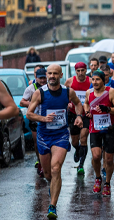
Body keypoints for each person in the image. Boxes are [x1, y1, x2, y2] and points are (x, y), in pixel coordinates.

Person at [26, 64, 84, 218]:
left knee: (56, 168)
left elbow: (78, 104)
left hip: (61, 135)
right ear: (47, 74)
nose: (52, 76)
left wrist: (78, 116)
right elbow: (29, 114)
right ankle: (53, 186)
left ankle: (52, 206)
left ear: (61, 75)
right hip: (44, 136)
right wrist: (43, 118)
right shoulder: (40, 93)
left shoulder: (68, 92)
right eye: (49, 73)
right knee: (47, 174)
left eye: (55, 74)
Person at [84, 70, 114, 196]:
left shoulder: (110, 91)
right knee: (96, 156)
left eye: (97, 79)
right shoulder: (88, 93)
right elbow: (86, 103)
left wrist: (109, 109)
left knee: (109, 159)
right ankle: (98, 177)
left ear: (103, 80)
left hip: (109, 129)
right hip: (94, 128)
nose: (94, 82)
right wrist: (87, 112)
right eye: (93, 79)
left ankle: (107, 183)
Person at [64, 62, 91, 175]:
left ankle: (81, 165)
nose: (80, 73)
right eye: (78, 71)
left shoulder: (91, 82)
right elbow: (63, 96)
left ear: (86, 70)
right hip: (72, 114)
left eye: (82, 70)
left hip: (86, 114)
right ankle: (77, 149)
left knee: (83, 138)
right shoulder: (70, 82)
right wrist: (67, 104)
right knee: (75, 141)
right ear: (75, 71)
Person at [20, 67, 47, 176]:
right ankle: (40, 161)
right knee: (37, 142)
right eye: (40, 78)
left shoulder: (50, 87)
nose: (42, 80)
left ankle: (46, 161)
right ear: (36, 77)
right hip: (35, 118)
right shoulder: (31, 88)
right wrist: (33, 104)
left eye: (44, 78)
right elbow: (22, 102)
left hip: (47, 118)